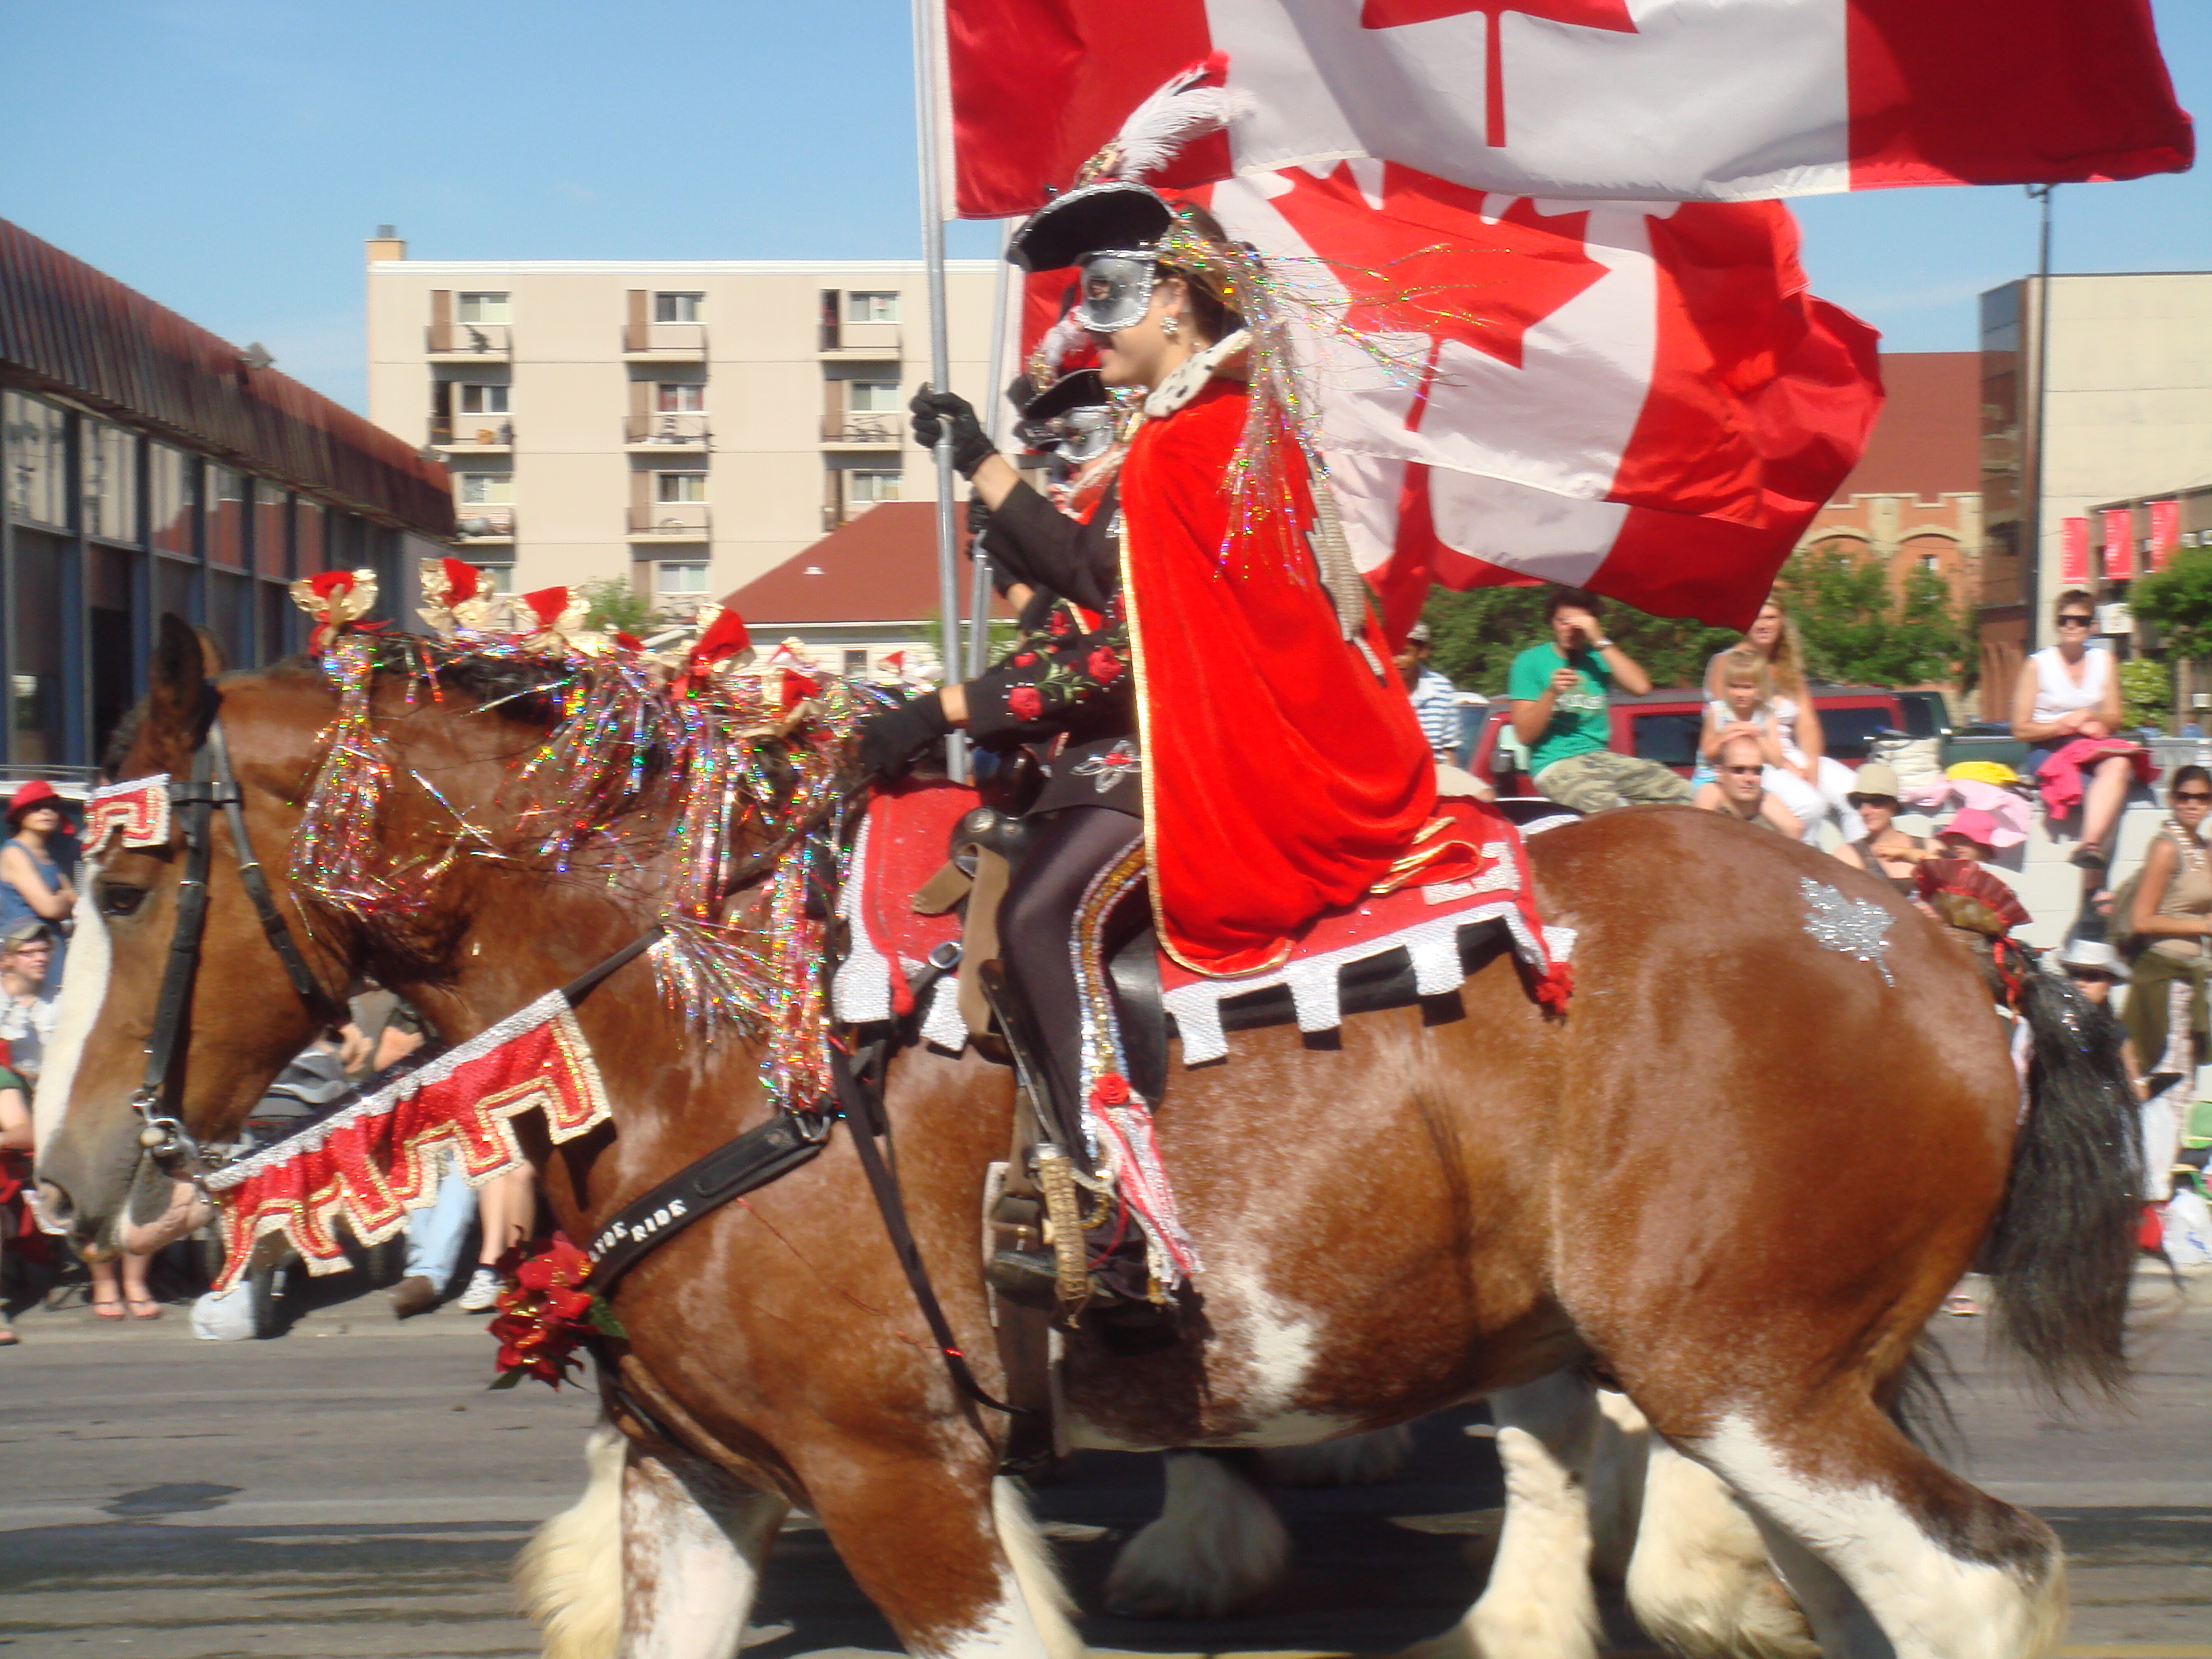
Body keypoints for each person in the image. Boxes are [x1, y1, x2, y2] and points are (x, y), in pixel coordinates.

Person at [860, 180, 1441, 1316]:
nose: (1088, 326)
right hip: (1153, 743)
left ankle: (1120, 1218)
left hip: (1206, 756)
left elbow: (1120, 649)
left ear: (1173, 299)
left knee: (1041, 918)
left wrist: (942, 707)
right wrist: (981, 459)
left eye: (1106, 300)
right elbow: (1087, 575)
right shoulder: (1184, 434)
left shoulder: (1200, 437)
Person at [1508, 588, 1691, 814]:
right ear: (1552, 622)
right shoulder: (1530, 661)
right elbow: (1523, 734)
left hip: (1601, 758)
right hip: (1557, 764)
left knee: (1685, 794)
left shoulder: (1597, 658)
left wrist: (1599, 639)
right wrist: (1551, 693)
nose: (1571, 629)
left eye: (1579, 623)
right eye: (1563, 621)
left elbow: (1641, 687)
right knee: (1609, 812)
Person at [1704, 598, 1861, 843]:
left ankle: (1860, 868)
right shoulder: (1728, 663)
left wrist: (1812, 769)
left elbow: (1807, 722)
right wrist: (1791, 769)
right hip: (1755, 757)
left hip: (1790, 753)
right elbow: (1728, 721)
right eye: (1758, 617)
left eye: (1771, 618)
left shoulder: (1788, 668)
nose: (1764, 624)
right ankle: (1804, 868)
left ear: (1782, 623)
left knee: (1857, 795)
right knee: (1810, 805)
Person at [2010, 590, 2136, 883]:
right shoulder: (2038, 664)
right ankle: (2095, 882)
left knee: (2120, 766)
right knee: (2099, 793)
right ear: (2056, 623)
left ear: (2091, 625)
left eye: (2079, 620)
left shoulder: (2104, 661)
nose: (2071, 625)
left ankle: (2088, 845)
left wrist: (2090, 718)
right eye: (2064, 619)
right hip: (2049, 747)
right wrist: (2065, 725)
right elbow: (2019, 729)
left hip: (2091, 745)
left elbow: (2115, 718)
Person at [2120, 764, 2212, 1091]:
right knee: (2165, 1080)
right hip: (2163, 976)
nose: (2192, 804)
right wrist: (2200, 924)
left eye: (2201, 798)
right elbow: (2141, 920)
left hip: (2194, 976)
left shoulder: (2206, 850)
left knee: (2184, 1084)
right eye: (2184, 796)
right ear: (2172, 800)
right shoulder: (2166, 847)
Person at [0, 781, 74, 987]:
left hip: (50, 951)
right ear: (19, 815)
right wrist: (63, 900)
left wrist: (63, 901)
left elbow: (74, 901)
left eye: (52, 807)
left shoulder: (48, 855)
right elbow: (49, 908)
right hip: (24, 955)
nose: (47, 812)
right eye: (37, 807)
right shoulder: (14, 853)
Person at [1833, 763, 1933, 894]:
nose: (1865, 811)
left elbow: (1955, 878)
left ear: (1894, 805)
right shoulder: (1847, 855)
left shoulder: (1930, 847)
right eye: (1858, 803)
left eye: (1875, 802)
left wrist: (1908, 853)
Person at [1693, 733, 1802, 837]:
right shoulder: (1712, 791)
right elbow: (1698, 831)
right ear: (1720, 772)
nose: (1749, 779)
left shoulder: (1764, 798)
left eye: (1757, 771)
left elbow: (1795, 830)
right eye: (1738, 770)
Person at [0, 921, 58, 1084]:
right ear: (7, 959)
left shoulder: (60, 1001)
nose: (41, 958)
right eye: (29, 953)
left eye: (45, 951)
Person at [1398, 621, 1462, 764]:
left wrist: (1450, 780)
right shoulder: (1374, 687)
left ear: (1422, 652)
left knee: (1482, 788)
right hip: (1390, 771)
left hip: (1434, 769)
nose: (1395, 660)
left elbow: (1448, 747)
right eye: (1390, 652)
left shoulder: (1441, 688)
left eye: (1404, 653)